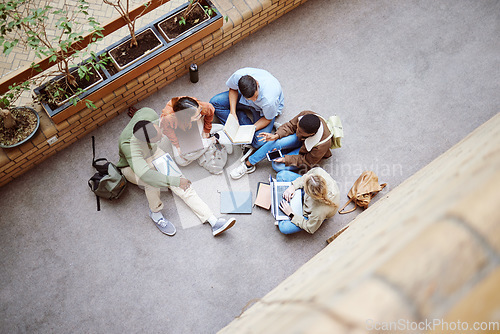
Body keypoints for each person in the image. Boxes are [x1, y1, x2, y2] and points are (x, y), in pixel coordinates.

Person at [116, 107, 236, 236]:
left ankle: (213, 221)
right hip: (130, 166)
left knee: (184, 186)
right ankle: (155, 213)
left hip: (153, 152)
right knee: (152, 183)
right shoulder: (128, 146)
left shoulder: (148, 113)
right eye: (158, 138)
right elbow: (148, 175)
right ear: (145, 140)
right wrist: (175, 181)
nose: (163, 135)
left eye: (159, 131)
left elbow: (143, 114)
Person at [230, 110, 332, 179]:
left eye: (301, 132)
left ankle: (284, 151)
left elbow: (307, 161)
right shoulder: (305, 115)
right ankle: (248, 164)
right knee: (276, 141)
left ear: (311, 134)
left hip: (307, 152)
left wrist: (285, 159)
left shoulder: (322, 145)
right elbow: (291, 126)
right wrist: (277, 135)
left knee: (277, 166)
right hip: (301, 141)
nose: (297, 132)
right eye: (298, 129)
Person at [209, 67, 284, 149]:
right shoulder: (238, 76)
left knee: (258, 142)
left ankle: (240, 122)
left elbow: (268, 119)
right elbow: (233, 89)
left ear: (257, 83)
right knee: (214, 102)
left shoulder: (269, 100)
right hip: (244, 99)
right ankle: (237, 116)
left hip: (263, 110)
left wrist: (251, 129)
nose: (253, 100)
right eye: (250, 98)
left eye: (255, 97)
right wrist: (232, 112)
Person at [276, 167, 340, 235]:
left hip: (313, 214)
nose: (306, 176)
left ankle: (283, 214)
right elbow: (305, 177)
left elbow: (310, 228)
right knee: (281, 175)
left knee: (284, 228)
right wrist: (293, 186)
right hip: (312, 192)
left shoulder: (318, 212)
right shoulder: (318, 171)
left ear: (307, 192)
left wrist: (291, 214)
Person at [160, 96, 214, 166]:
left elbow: (210, 110)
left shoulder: (198, 107)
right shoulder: (168, 117)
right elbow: (167, 130)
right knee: (181, 161)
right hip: (178, 128)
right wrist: (177, 145)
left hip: (193, 124)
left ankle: (210, 141)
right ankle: (204, 147)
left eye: (200, 112)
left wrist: (206, 130)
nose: (200, 115)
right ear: (185, 118)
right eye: (196, 116)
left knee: (193, 150)